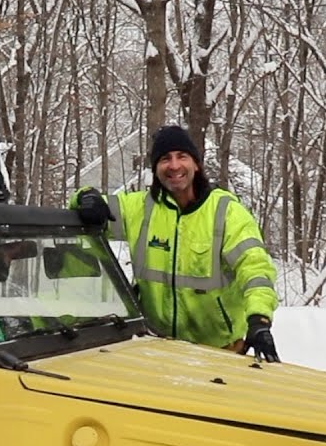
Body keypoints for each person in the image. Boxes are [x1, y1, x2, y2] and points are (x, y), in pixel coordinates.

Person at [71, 125, 281, 362]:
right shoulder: (138, 208)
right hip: (156, 350)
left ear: (196, 164)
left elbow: (255, 268)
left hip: (219, 351)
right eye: (164, 159)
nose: (174, 166)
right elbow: (85, 202)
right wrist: (86, 196)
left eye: (182, 156)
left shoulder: (226, 212)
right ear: (155, 168)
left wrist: (259, 319)